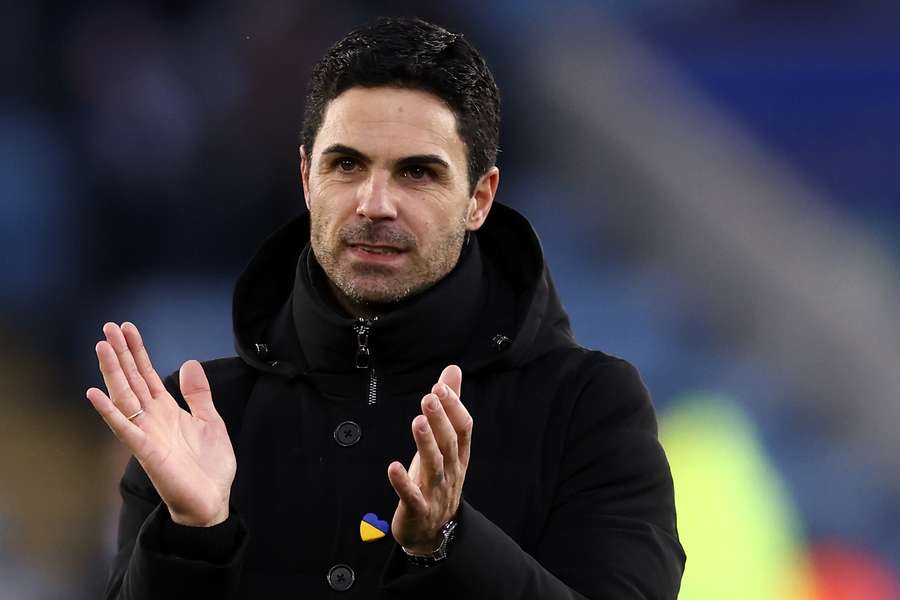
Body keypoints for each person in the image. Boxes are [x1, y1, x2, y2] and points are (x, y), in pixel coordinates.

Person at [87, 16, 685, 599]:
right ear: (305, 178)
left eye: (417, 173)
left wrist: (449, 544)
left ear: (480, 198)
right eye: (346, 165)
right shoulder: (201, 420)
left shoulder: (587, 409)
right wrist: (192, 538)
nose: (375, 204)